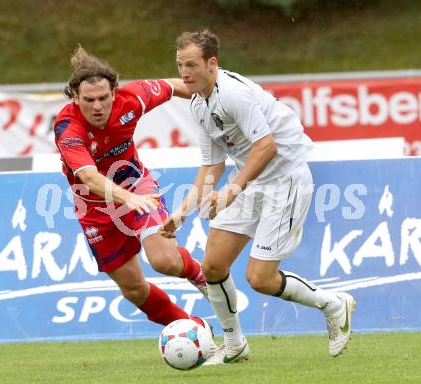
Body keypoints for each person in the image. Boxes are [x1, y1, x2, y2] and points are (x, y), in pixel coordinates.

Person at [160, 29, 356, 364]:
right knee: (213, 265)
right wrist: (182, 213)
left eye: (191, 64)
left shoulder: (234, 94)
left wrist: (232, 192)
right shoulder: (198, 104)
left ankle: (333, 304)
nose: (184, 73)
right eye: (180, 65)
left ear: (212, 63)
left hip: (286, 178)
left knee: (260, 279)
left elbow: (267, 147)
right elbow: (212, 165)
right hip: (250, 178)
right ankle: (234, 344)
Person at [53, 46, 211, 332]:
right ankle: (194, 329)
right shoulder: (67, 126)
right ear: (75, 98)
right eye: (89, 100)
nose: (98, 106)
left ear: (115, 92)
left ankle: (202, 277)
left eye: (104, 98)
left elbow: (175, 86)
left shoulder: (133, 97)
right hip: (95, 208)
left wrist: (216, 99)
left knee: (164, 260)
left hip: (138, 186)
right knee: (134, 290)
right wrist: (127, 198)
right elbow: (88, 176)